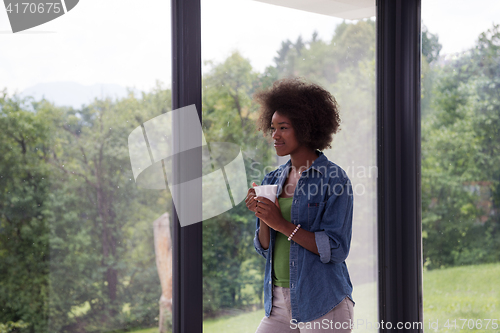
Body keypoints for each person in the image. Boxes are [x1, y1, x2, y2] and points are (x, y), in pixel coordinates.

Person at [245, 78, 354, 332]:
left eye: (283, 127)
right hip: (279, 305)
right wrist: (262, 215)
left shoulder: (334, 179)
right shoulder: (271, 179)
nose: (275, 135)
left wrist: (281, 223)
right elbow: (264, 248)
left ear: (306, 128)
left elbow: (336, 248)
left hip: (323, 303)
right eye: (273, 127)